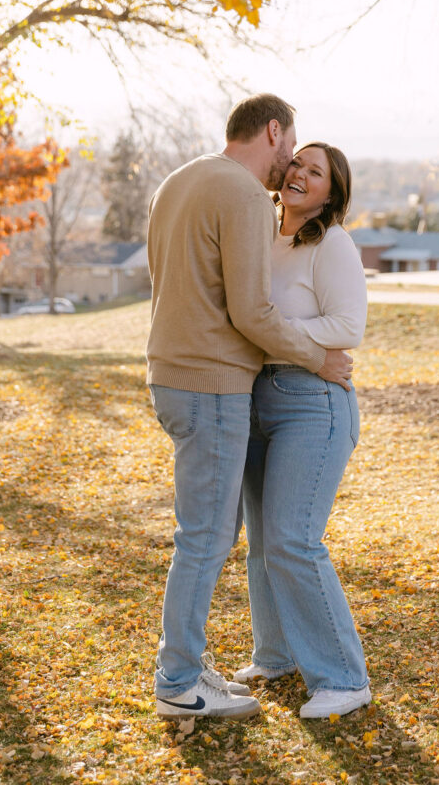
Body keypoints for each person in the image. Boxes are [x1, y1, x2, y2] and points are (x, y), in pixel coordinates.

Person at [147, 95, 354, 720]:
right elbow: (252, 312)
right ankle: (180, 681)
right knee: (206, 538)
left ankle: (192, 666)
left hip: (173, 374)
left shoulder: (177, 181)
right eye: (289, 151)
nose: (287, 166)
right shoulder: (240, 194)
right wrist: (318, 358)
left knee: (207, 533)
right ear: (272, 131)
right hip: (211, 384)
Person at [233, 142, 371, 718]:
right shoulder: (261, 233)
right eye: (298, 163)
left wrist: (270, 327)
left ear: (329, 195)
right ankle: (277, 654)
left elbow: (348, 326)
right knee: (263, 540)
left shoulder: (331, 244)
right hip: (256, 398)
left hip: (312, 401)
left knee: (294, 539)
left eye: (316, 173)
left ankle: (343, 678)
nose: (300, 174)